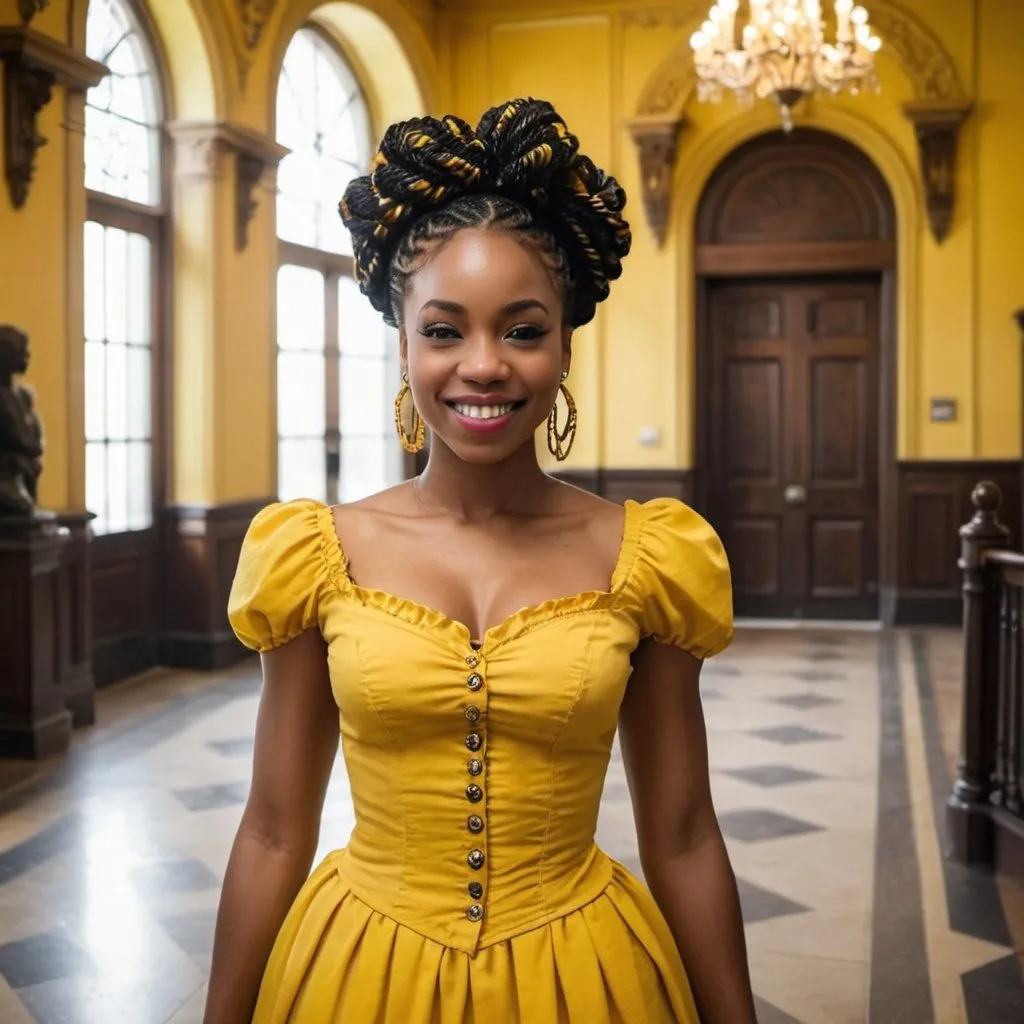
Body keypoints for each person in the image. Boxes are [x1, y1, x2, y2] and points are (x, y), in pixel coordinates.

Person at [205, 98, 757, 1024]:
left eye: (524, 329)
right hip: (358, 971)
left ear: (566, 344)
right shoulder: (315, 553)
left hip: (583, 974)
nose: (485, 365)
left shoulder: (645, 557)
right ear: (405, 343)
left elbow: (686, 836)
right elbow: (271, 830)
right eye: (446, 329)